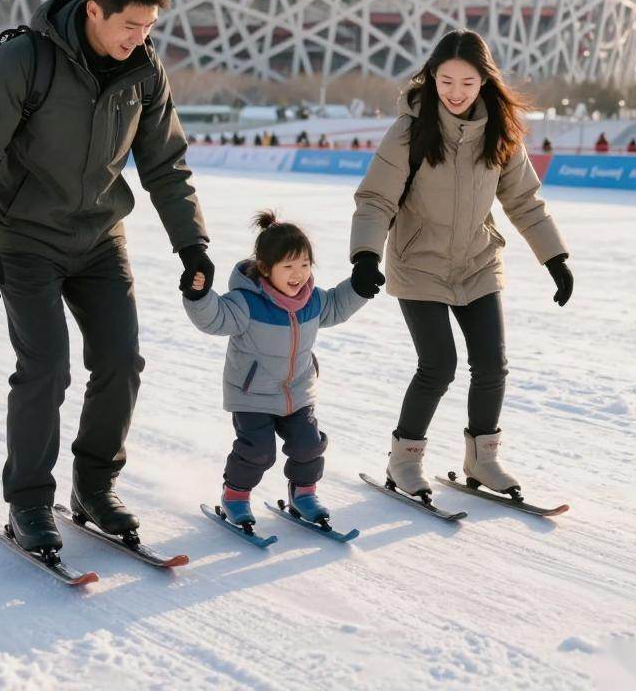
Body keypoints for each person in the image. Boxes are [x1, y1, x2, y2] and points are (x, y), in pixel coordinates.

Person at [0, 0, 212, 555]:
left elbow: (166, 165)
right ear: (94, 11)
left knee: (121, 360)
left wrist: (192, 244)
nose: (139, 38)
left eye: (149, 26)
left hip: (99, 239)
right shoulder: (26, 60)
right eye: (129, 25)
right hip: (24, 238)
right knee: (46, 368)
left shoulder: (145, 71)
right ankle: (29, 501)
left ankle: (94, 486)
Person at [348, 30, 572, 501]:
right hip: (419, 262)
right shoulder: (410, 130)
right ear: (431, 77)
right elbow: (376, 198)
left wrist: (555, 258)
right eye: (446, 81)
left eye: (467, 83)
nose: (455, 92)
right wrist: (366, 255)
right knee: (438, 366)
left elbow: (525, 201)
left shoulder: (501, 130)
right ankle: (404, 460)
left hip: (476, 261)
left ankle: (482, 459)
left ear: (484, 81)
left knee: (492, 365)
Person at [183, 211, 368, 530]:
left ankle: (304, 494)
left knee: (308, 445)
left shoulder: (312, 301)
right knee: (258, 452)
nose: (298, 275)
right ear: (265, 269)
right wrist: (198, 295)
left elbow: (337, 306)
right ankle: (235, 496)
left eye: (305, 265)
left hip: (297, 392)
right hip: (252, 396)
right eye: (288, 267)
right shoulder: (246, 303)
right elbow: (215, 318)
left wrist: (359, 287)